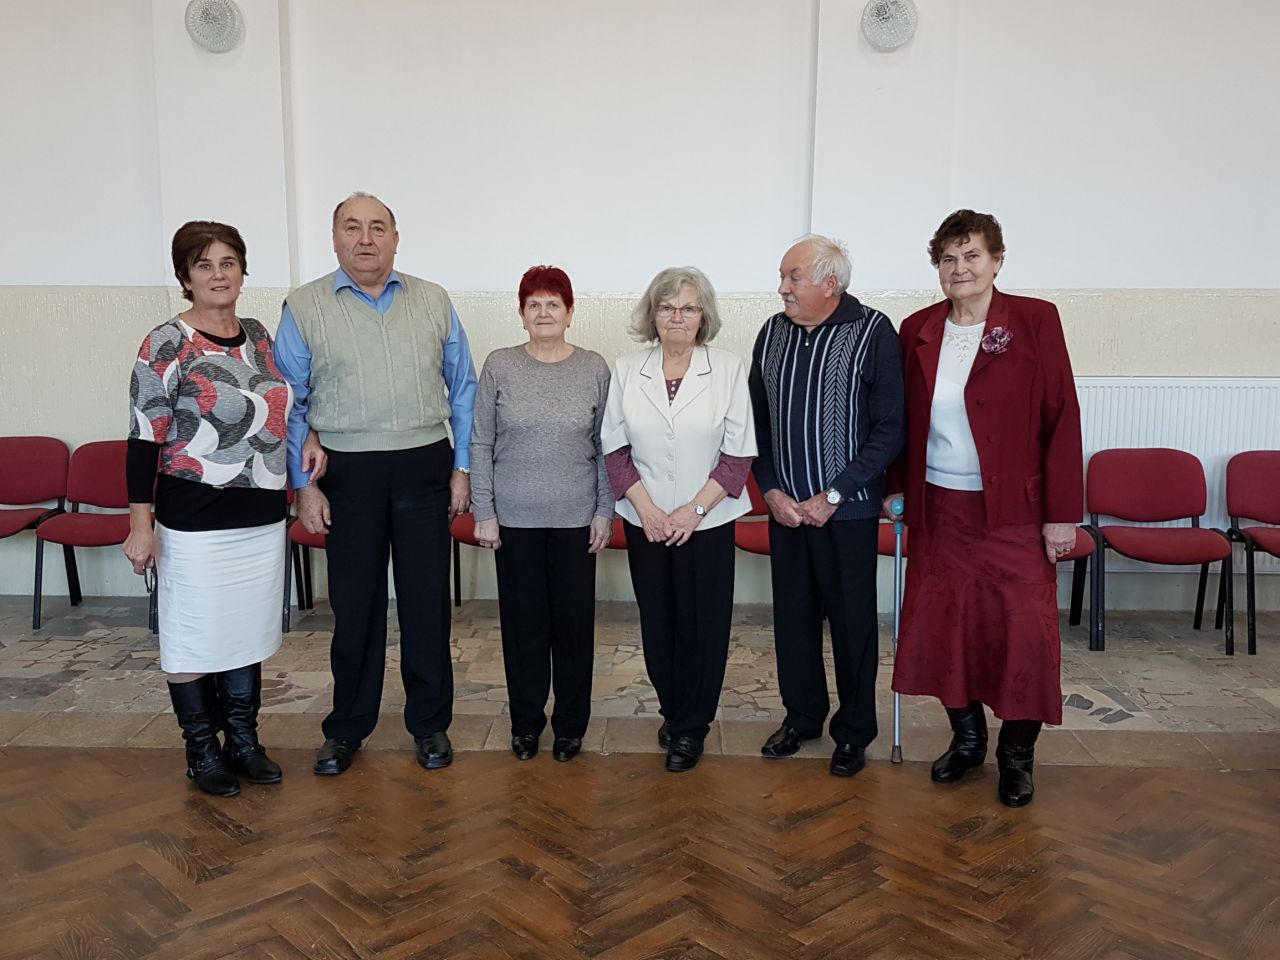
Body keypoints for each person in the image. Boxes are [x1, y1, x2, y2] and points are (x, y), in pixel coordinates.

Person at [274, 192, 478, 776]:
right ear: (334, 238)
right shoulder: (305, 306)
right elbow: (290, 401)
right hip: (345, 470)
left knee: (426, 603)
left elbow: (462, 386)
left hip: (425, 464)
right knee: (355, 605)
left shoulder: (433, 300)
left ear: (395, 238)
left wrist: (462, 466)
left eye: (377, 228)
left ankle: (430, 725)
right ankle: (347, 728)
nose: (365, 239)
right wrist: (304, 486)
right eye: (352, 227)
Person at [886, 209, 1082, 808]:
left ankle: (1016, 755)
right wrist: (895, 485)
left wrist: (1062, 512)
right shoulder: (918, 329)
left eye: (972, 255)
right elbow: (899, 420)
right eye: (948, 258)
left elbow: (1062, 416)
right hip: (940, 510)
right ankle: (968, 739)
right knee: (948, 630)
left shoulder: (1035, 320)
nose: (960, 268)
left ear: (997, 260)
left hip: (1015, 514)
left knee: (1024, 634)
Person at [124, 221, 313, 797]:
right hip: (193, 518)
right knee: (192, 635)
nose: (218, 274)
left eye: (228, 262)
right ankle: (202, 751)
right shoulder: (166, 342)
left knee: (247, 631)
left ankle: (244, 742)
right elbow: (143, 437)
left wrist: (310, 438)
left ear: (242, 271)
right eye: (204, 265)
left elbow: (285, 405)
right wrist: (140, 522)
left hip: (261, 516)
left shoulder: (259, 335)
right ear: (185, 277)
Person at [749, 234, 905, 777]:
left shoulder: (873, 332)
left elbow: (890, 429)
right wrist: (771, 490)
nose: (783, 288)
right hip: (787, 510)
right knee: (792, 621)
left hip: (847, 511)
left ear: (830, 283)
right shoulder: (772, 332)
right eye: (783, 276)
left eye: (793, 277)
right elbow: (757, 424)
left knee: (851, 624)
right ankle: (802, 718)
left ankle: (854, 732)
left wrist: (834, 494)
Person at [601, 267, 756, 772]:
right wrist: (647, 509)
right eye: (667, 308)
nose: (677, 317)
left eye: (688, 308)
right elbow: (614, 447)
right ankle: (673, 709)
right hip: (645, 520)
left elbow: (738, 453)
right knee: (659, 621)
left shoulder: (728, 369)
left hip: (707, 521)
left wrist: (694, 510)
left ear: (703, 315)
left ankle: (692, 727)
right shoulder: (628, 369)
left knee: (703, 626)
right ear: (653, 315)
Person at [470, 266, 613, 763]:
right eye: (535, 304)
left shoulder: (594, 368)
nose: (544, 312)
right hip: (514, 521)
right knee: (523, 628)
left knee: (573, 629)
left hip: (577, 519)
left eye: (554, 304)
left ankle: (570, 726)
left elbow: (607, 446)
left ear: (570, 313)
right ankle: (526, 723)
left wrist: (604, 511)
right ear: (522, 313)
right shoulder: (500, 365)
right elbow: (481, 441)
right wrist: (484, 511)